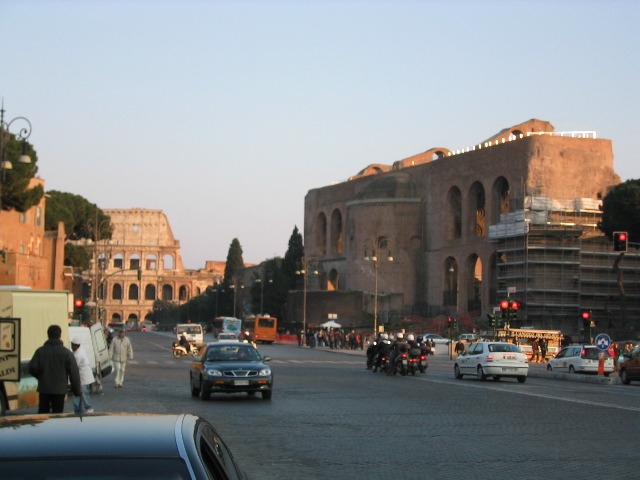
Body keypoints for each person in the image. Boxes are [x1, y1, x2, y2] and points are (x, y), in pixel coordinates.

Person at [28, 325, 82, 414]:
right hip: (59, 390)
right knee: (57, 415)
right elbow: (74, 373)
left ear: (48, 335)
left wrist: (41, 376)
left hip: (44, 389)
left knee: (43, 414)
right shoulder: (66, 353)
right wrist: (77, 391)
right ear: (60, 335)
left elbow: (32, 368)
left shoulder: (40, 351)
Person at [71, 336, 95, 414]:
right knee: (78, 393)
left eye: (72, 345)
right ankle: (77, 408)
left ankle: (89, 407)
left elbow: (74, 366)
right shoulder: (80, 350)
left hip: (83, 377)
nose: (71, 346)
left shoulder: (78, 355)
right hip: (83, 376)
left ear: (75, 345)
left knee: (84, 394)